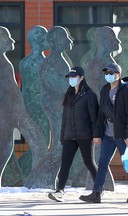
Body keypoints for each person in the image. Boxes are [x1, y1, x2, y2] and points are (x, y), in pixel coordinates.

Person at [79, 63, 128, 203]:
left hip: (122, 135)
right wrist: (97, 134)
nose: (108, 75)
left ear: (118, 75)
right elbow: (100, 114)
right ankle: (97, 193)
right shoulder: (104, 90)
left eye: (111, 72)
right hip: (108, 135)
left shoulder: (125, 91)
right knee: (102, 163)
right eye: (106, 73)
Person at [48, 66, 98, 202]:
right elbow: (65, 117)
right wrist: (63, 135)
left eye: (74, 77)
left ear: (81, 78)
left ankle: (99, 189)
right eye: (70, 77)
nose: (71, 80)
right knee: (65, 164)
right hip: (70, 136)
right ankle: (60, 191)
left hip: (85, 136)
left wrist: (96, 135)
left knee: (89, 162)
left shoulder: (90, 95)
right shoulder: (69, 94)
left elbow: (94, 117)